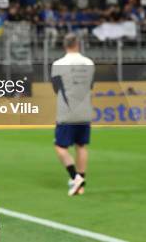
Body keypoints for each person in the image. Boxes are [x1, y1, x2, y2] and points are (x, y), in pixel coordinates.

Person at [51, 33, 95, 196]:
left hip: (67, 112)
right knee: (81, 146)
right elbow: (90, 86)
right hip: (85, 110)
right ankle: (80, 185)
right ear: (78, 44)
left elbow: (56, 88)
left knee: (60, 147)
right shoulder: (89, 63)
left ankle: (75, 177)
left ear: (65, 45)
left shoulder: (58, 64)